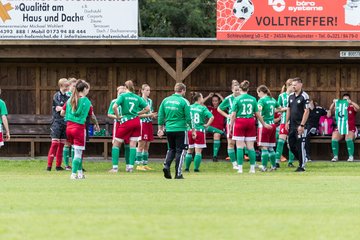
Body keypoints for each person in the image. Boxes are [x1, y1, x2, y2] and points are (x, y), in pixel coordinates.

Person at [229, 80, 271, 174]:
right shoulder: (253, 99)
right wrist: (264, 124)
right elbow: (257, 114)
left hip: (240, 121)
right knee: (250, 147)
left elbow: (233, 115)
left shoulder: (237, 99)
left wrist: (231, 126)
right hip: (250, 121)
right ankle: (252, 168)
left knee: (239, 146)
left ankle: (240, 168)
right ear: (248, 89)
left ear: (240, 89)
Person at [110, 80, 150, 173]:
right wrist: (137, 113)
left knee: (116, 144)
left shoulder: (123, 96)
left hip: (126, 121)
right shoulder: (137, 97)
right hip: (136, 122)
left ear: (125, 87)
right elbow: (147, 109)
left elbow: (114, 107)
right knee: (133, 144)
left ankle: (115, 168)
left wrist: (117, 116)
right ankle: (130, 167)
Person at [158, 83, 194, 179]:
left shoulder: (165, 100)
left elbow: (161, 116)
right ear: (183, 90)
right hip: (181, 129)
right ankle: (178, 173)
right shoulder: (184, 101)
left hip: (169, 129)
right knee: (181, 151)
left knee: (171, 149)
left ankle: (166, 166)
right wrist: (193, 129)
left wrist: (160, 129)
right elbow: (188, 117)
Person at [60, 80, 94, 179]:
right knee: (78, 152)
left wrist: (69, 114)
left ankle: (80, 173)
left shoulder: (70, 99)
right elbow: (91, 115)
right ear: (84, 89)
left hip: (69, 127)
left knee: (75, 150)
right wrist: (96, 124)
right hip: (79, 128)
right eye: (88, 89)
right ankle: (73, 174)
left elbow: (62, 112)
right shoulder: (86, 101)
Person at [285, 77, 310, 172]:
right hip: (292, 125)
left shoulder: (304, 96)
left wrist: (302, 125)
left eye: (295, 85)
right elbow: (288, 109)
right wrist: (286, 122)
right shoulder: (290, 96)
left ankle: (302, 166)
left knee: (300, 145)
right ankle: (302, 159)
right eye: (292, 85)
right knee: (291, 145)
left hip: (301, 125)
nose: (293, 86)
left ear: (300, 85)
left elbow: (306, 111)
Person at [185, 92, 214, 172]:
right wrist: (207, 125)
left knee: (189, 150)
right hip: (199, 131)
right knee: (198, 152)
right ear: (199, 99)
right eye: (202, 97)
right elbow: (211, 117)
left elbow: (185, 117)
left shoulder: (189, 107)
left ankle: (187, 168)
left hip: (190, 130)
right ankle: (196, 169)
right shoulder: (203, 108)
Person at [47, 78, 70, 171]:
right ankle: (49, 166)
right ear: (61, 86)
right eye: (66, 86)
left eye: (68, 85)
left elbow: (65, 109)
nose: (68, 87)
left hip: (65, 123)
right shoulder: (56, 96)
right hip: (57, 123)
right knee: (54, 144)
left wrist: (63, 109)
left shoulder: (68, 97)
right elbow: (58, 108)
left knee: (61, 145)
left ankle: (58, 166)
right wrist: (63, 109)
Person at [256, 85, 281, 172]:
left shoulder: (261, 100)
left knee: (264, 147)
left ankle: (264, 166)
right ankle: (274, 166)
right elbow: (279, 108)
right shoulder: (272, 99)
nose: (258, 95)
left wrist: (258, 112)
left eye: (258, 93)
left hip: (264, 125)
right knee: (271, 147)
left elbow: (259, 109)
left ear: (261, 92)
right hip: (273, 125)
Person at [217, 80, 241, 169]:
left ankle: (240, 163)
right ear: (232, 90)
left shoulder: (243, 98)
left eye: (238, 90)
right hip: (231, 123)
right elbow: (219, 109)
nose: (237, 92)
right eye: (236, 90)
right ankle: (234, 164)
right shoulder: (228, 99)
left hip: (240, 122)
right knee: (231, 143)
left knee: (241, 143)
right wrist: (227, 115)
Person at [329, 93, 359, 162]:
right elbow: (331, 110)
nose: (345, 100)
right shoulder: (339, 107)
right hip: (340, 127)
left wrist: (351, 102)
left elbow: (358, 108)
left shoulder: (351, 106)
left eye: (347, 99)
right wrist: (334, 103)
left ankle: (351, 156)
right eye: (344, 99)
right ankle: (335, 156)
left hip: (350, 127)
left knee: (348, 139)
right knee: (334, 139)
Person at [107, 85, 131, 172]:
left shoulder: (128, 101)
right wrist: (117, 117)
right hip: (118, 124)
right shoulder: (114, 101)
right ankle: (115, 167)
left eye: (123, 93)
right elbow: (109, 113)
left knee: (128, 145)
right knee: (116, 145)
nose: (121, 94)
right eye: (120, 93)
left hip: (128, 124)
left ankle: (128, 166)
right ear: (117, 93)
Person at [275, 79, 295, 168]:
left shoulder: (295, 96)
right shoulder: (282, 96)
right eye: (292, 85)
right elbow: (276, 109)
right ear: (288, 86)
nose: (294, 87)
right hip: (284, 122)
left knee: (291, 143)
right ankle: (276, 161)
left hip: (293, 122)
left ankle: (290, 162)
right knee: (280, 141)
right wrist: (285, 109)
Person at [136, 84, 157, 170]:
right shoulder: (139, 100)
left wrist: (152, 116)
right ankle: (138, 164)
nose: (148, 92)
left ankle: (145, 164)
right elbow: (137, 114)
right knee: (141, 144)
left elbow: (149, 113)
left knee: (147, 145)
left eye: (149, 90)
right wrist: (149, 114)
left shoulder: (150, 101)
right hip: (142, 123)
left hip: (149, 123)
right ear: (142, 91)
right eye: (147, 90)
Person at [203, 92, 225, 162]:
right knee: (207, 127)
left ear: (219, 101)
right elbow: (200, 103)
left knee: (217, 135)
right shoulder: (209, 108)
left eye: (216, 101)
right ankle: (222, 132)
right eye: (213, 101)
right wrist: (208, 96)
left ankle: (214, 156)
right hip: (209, 129)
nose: (214, 102)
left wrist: (220, 96)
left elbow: (226, 103)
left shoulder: (221, 108)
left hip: (217, 130)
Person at [63, 77, 77, 170]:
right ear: (69, 86)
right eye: (74, 85)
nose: (75, 87)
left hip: (75, 122)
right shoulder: (67, 95)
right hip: (67, 122)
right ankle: (67, 164)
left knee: (74, 144)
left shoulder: (77, 96)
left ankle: (74, 163)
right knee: (67, 143)